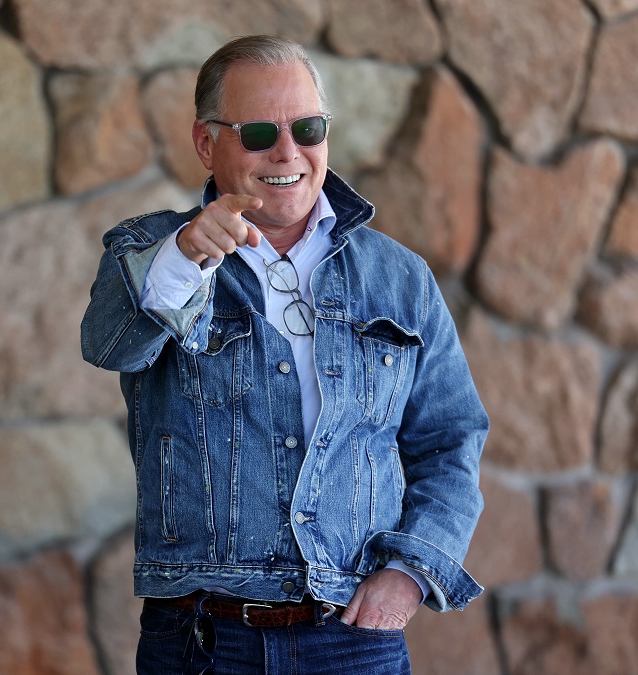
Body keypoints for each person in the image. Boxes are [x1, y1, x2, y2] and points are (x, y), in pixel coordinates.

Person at [80, 34, 487, 674]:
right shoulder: (152, 253)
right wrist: (186, 258)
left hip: (353, 640)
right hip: (203, 641)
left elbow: (451, 439)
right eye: (261, 131)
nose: (288, 151)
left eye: (308, 127)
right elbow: (110, 344)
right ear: (206, 143)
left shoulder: (399, 277)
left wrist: (412, 571)